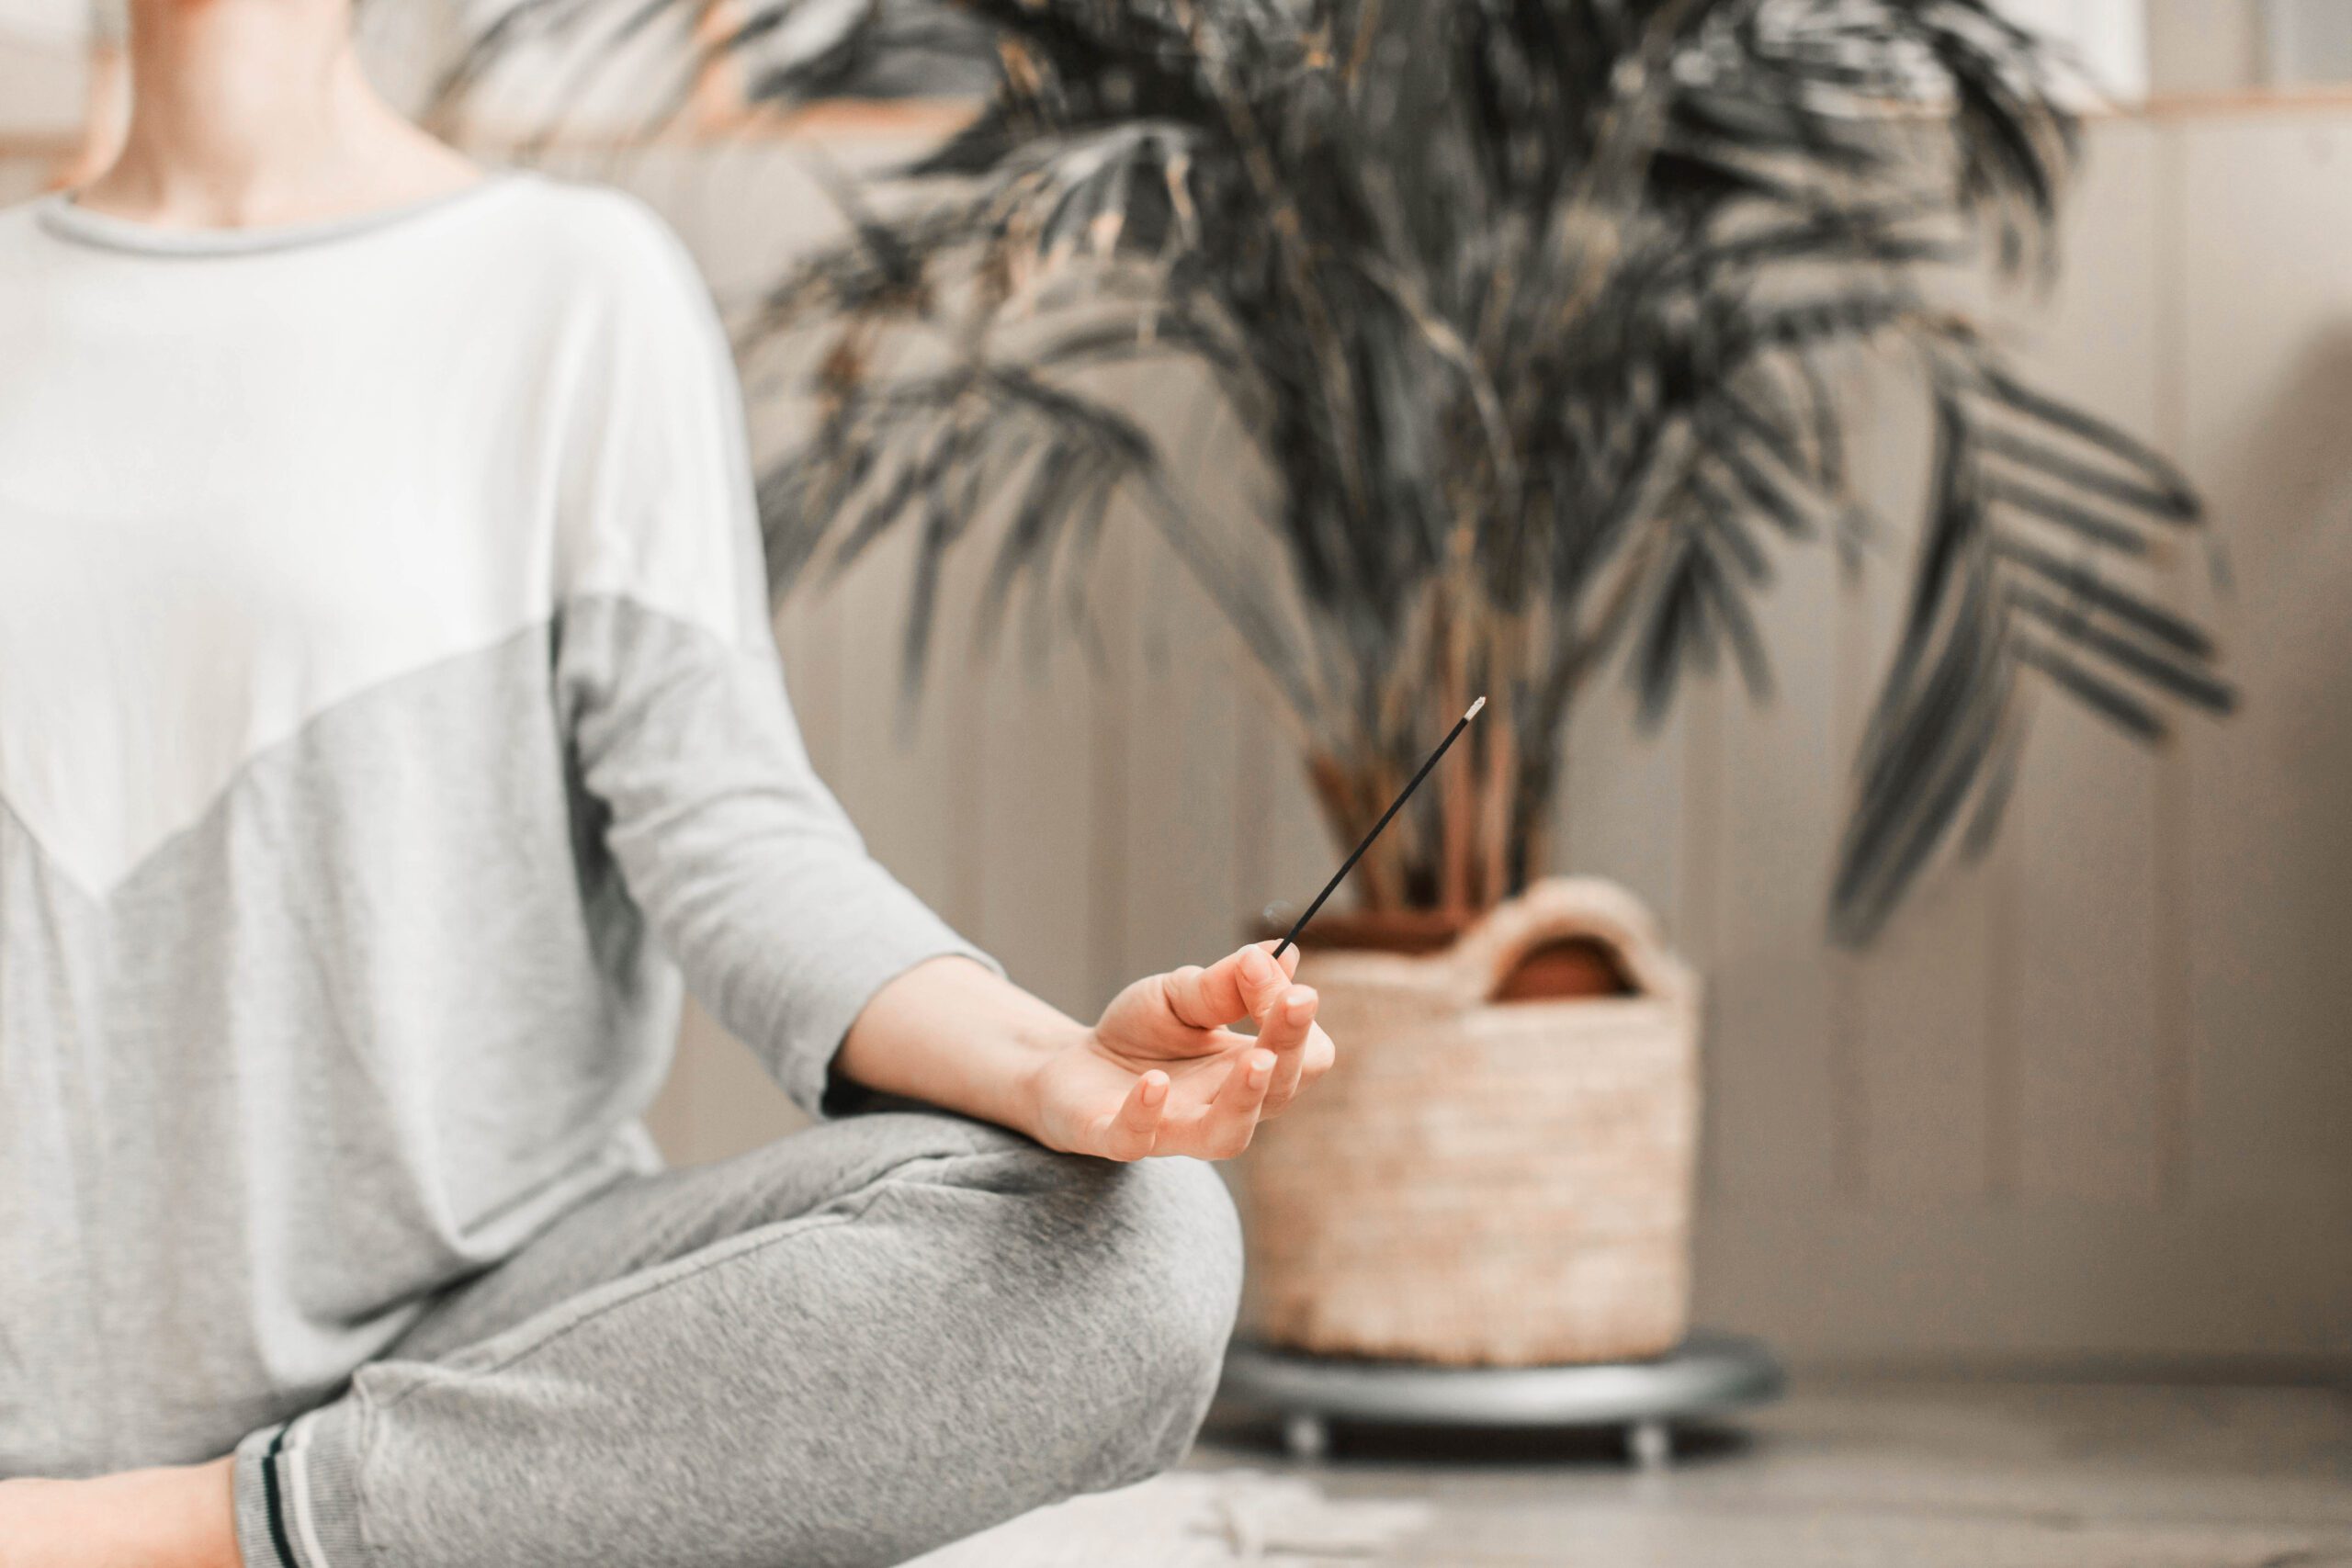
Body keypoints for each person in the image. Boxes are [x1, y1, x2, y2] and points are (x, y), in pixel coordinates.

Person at [0, 4, 1337, 1565]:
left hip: (472, 1330)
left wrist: (1055, 1071)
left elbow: (727, 821)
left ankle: (188, 1535)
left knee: (1134, 1250)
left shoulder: (566, 290)